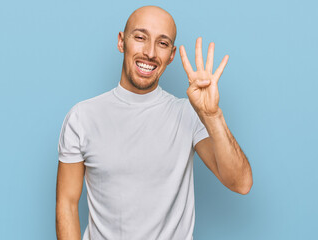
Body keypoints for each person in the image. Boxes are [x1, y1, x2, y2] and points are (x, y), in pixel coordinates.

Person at [56, 5, 252, 240]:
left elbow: (241, 183)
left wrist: (212, 115)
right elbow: (66, 203)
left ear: (171, 55)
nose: (150, 52)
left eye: (162, 43)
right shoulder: (82, 117)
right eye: (140, 37)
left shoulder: (188, 114)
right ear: (121, 42)